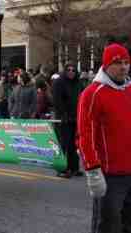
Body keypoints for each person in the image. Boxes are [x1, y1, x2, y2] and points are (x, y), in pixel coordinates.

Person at [77, 43, 131, 233]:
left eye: (126, 62)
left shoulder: (129, 90)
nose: (123, 67)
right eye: (117, 63)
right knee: (108, 226)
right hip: (109, 176)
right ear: (106, 65)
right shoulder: (93, 93)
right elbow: (85, 136)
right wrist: (92, 170)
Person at [53, 63, 84, 178]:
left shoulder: (78, 83)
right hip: (63, 118)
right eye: (69, 70)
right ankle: (62, 169)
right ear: (65, 71)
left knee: (73, 145)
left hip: (75, 117)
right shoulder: (59, 82)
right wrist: (63, 114)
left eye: (73, 70)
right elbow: (57, 101)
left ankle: (74, 168)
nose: (71, 72)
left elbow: (82, 98)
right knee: (63, 144)